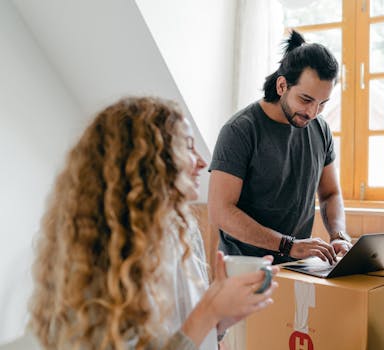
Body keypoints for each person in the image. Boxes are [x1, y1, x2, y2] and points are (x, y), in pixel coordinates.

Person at [24, 97, 278, 350]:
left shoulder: (183, 229)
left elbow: (187, 332)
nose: (202, 162)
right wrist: (209, 310)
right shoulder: (102, 256)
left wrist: (221, 320)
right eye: (188, 147)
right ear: (147, 161)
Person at [208, 30, 352, 265]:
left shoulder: (320, 129)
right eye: (305, 100)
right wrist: (288, 244)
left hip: (295, 266)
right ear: (282, 85)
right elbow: (220, 211)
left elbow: (330, 193)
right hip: (244, 268)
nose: (312, 113)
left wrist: (339, 235)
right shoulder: (240, 130)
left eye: (322, 104)